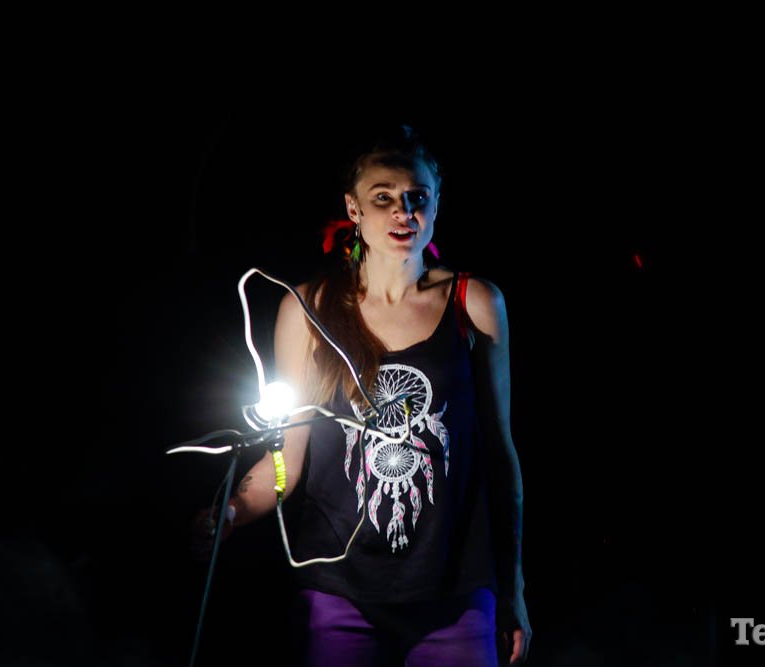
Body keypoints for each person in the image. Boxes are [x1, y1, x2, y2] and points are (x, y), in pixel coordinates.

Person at [202, 125, 531, 666]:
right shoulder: (308, 308)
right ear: (353, 209)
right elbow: (286, 462)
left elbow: (500, 453)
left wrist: (513, 586)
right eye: (384, 198)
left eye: (417, 197)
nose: (403, 211)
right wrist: (232, 510)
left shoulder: (474, 302)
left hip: (456, 589)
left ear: (436, 203)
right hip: (339, 590)